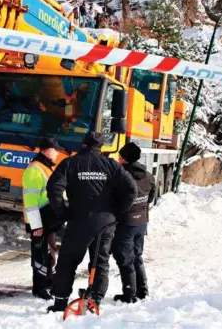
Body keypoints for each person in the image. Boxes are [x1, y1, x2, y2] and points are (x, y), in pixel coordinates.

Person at [45, 132, 138, 312]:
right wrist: (118, 211)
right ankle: (95, 299)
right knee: (100, 262)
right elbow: (131, 189)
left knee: (68, 261)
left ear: (83, 144)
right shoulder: (111, 165)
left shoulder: (70, 163)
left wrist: (63, 213)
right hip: (105, 223)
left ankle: (60, 302)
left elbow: (53, 188)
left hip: (78, 221)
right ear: (101, 146)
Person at [111, 143, 156, 303]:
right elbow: (151, 197)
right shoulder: (148, 175)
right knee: (137, 255)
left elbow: (114, 200)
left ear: (124, 158)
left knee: (125, 258)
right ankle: (143, 290)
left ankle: (129, 293)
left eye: (120, 156)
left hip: (126, 223)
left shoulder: (122, 177)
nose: (118, 158)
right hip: (142, 222)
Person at [22, 137, 62, 300]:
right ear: (48, 150)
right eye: (56, 150)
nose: (58, 153)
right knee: (40, 254)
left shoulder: (46, 168)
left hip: (48, 220)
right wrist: (36, 226)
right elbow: (30, 201)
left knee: (50, 252)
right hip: (38, 220)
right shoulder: (34, 170)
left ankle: (48, 281)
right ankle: (38, 288)